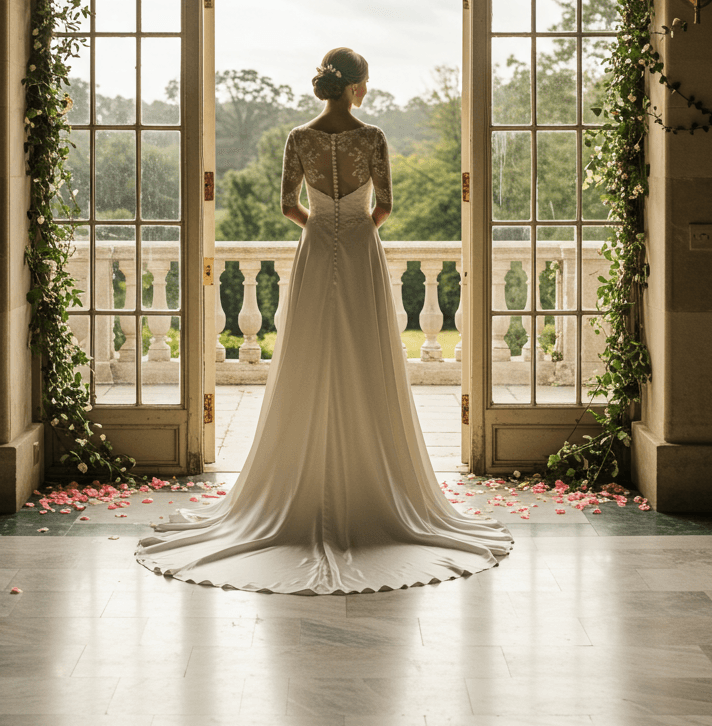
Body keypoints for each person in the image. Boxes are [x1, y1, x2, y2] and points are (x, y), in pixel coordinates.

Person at [135, 47, 513, 593]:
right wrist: (355, 225)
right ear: (356, 85)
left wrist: (322, 223)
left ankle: (298, 481)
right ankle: (373, 480)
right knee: (367, 352)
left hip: (316, 246)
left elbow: (287, 204)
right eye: (366, 81)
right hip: (360, 248)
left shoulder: (299, 137)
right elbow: (385, 206)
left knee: (309, 354)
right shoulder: (373, 137)